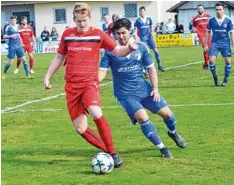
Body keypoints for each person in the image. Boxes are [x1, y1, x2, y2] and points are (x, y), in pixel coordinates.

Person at [44, 3, 138, 167]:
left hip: (89, 83)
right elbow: (59, 57)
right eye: (79, 21)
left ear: (90, 18)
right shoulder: (67, 34)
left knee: (95, 111)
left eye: (84, 20)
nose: (82, 24)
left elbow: (117, 51)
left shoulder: (98, 35)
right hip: (71, 87)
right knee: (80, 128)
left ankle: (113, 153)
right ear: (74, 19)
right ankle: (108, 152)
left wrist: (129, 49)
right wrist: (47, 76)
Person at [99, 18, 186, 158]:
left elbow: (151, 69)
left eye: (123, 33)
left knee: (168, 114)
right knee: (143, 117)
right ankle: (162, 148)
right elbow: (102, 71)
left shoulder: (141, 47)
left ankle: (173, 133)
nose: (120, 36)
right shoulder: (110, 51)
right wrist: (94, 81)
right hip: (124, 93)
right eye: (117, 33)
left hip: (144, 89)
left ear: (130, 31)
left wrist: (155, 88)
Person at [204, 3, 234, 87]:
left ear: (223, 10)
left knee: (228, 61)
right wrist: (206, 44)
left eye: (220, 9)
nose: (218, 11)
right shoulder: (211, 20)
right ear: (215, 10)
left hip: (225, 43)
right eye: (217, 9)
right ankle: (215, 77)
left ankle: (225, 79)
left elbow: (232, 33)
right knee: (211, 61)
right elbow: (207, 31)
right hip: (215, 43)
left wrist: (233, 46)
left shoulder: (228, 20)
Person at [134, 6, 164, 72]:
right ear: (139, 12)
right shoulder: (137, 20)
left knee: (156, 50)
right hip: (143, 38)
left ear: (145, 12)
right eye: (140, 12)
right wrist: (136, 36)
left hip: (149, 37)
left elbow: (151, 26)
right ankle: (146, 69)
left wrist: (152, 32)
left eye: (143, 11)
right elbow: (135, 30)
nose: (142, 13)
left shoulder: (149, 19)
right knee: (146, 53)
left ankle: (159, 65)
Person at [192, 4, 211, 70]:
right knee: (206, 48)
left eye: (201, 9)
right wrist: (194, 29)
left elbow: (212, 23)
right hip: (201, 35)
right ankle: (207, 64)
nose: (200, 10)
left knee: (209, 49)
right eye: (199, 9)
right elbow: (193, 26)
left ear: (203, 9)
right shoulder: (195, 18)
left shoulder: (208, 16)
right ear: (197, 10)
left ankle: (206, 64)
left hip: (208, 34)